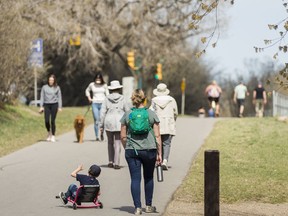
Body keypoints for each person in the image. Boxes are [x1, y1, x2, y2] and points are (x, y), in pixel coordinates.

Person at [120, 89, 162, 215]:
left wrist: (127, 147)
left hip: (132, 151)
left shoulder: (127, 115)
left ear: (133, 100)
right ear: (144, 99)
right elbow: (158, 135)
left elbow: (122, 136)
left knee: (135, 179)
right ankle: (148, 206)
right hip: (149, 150)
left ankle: (137, 208)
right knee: (149, 177)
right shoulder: (151, 114)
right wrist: (159, 153)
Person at [100, 80, 130, 169]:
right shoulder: (123, 98)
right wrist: (128, 123)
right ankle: (116, 163)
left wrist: (101, 125)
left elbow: (102, 113)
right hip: (119, 121)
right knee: (117, 142)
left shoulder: (106, 98)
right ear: (119, 89)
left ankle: (110, 161)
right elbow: (127, 111)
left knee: (110, 142)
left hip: (108, 121)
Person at [149, 83, 178, 170]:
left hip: (157, 124)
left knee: (158, 143)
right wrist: (173, 120)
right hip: (168, 123)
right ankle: (165, 160)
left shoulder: (154, 100)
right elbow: (175, 112)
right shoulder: (171, 100)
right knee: (167, 143)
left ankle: (159, 160)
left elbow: (151, 111)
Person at [85, 72, 109, 141]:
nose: (98, 80)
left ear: (101, 79)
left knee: (102, 119)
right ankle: (96, 136)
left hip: (102, 103)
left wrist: (108, 101)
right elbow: (87, 90)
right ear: (95, 79)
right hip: (94, 103)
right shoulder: (92, 85)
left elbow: (107, 94)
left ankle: (101, 132)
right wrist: (89, 98)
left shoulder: (104, 85)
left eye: (99, 79)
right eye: (96, 79)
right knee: (96, 119)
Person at [39, 74, 62, 142]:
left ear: (54, 80)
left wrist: (60, 107)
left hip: (54, 104)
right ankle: (49, 132)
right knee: (46, 121)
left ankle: (53, 136)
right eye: (49, 80)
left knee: (52, 121)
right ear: (48, 80)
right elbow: (42, 97)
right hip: (46, 105)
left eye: (52, 80)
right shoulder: (44, 87)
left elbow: (59, 97)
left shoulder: (57, 87)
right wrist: (41, 106)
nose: (51, 81)